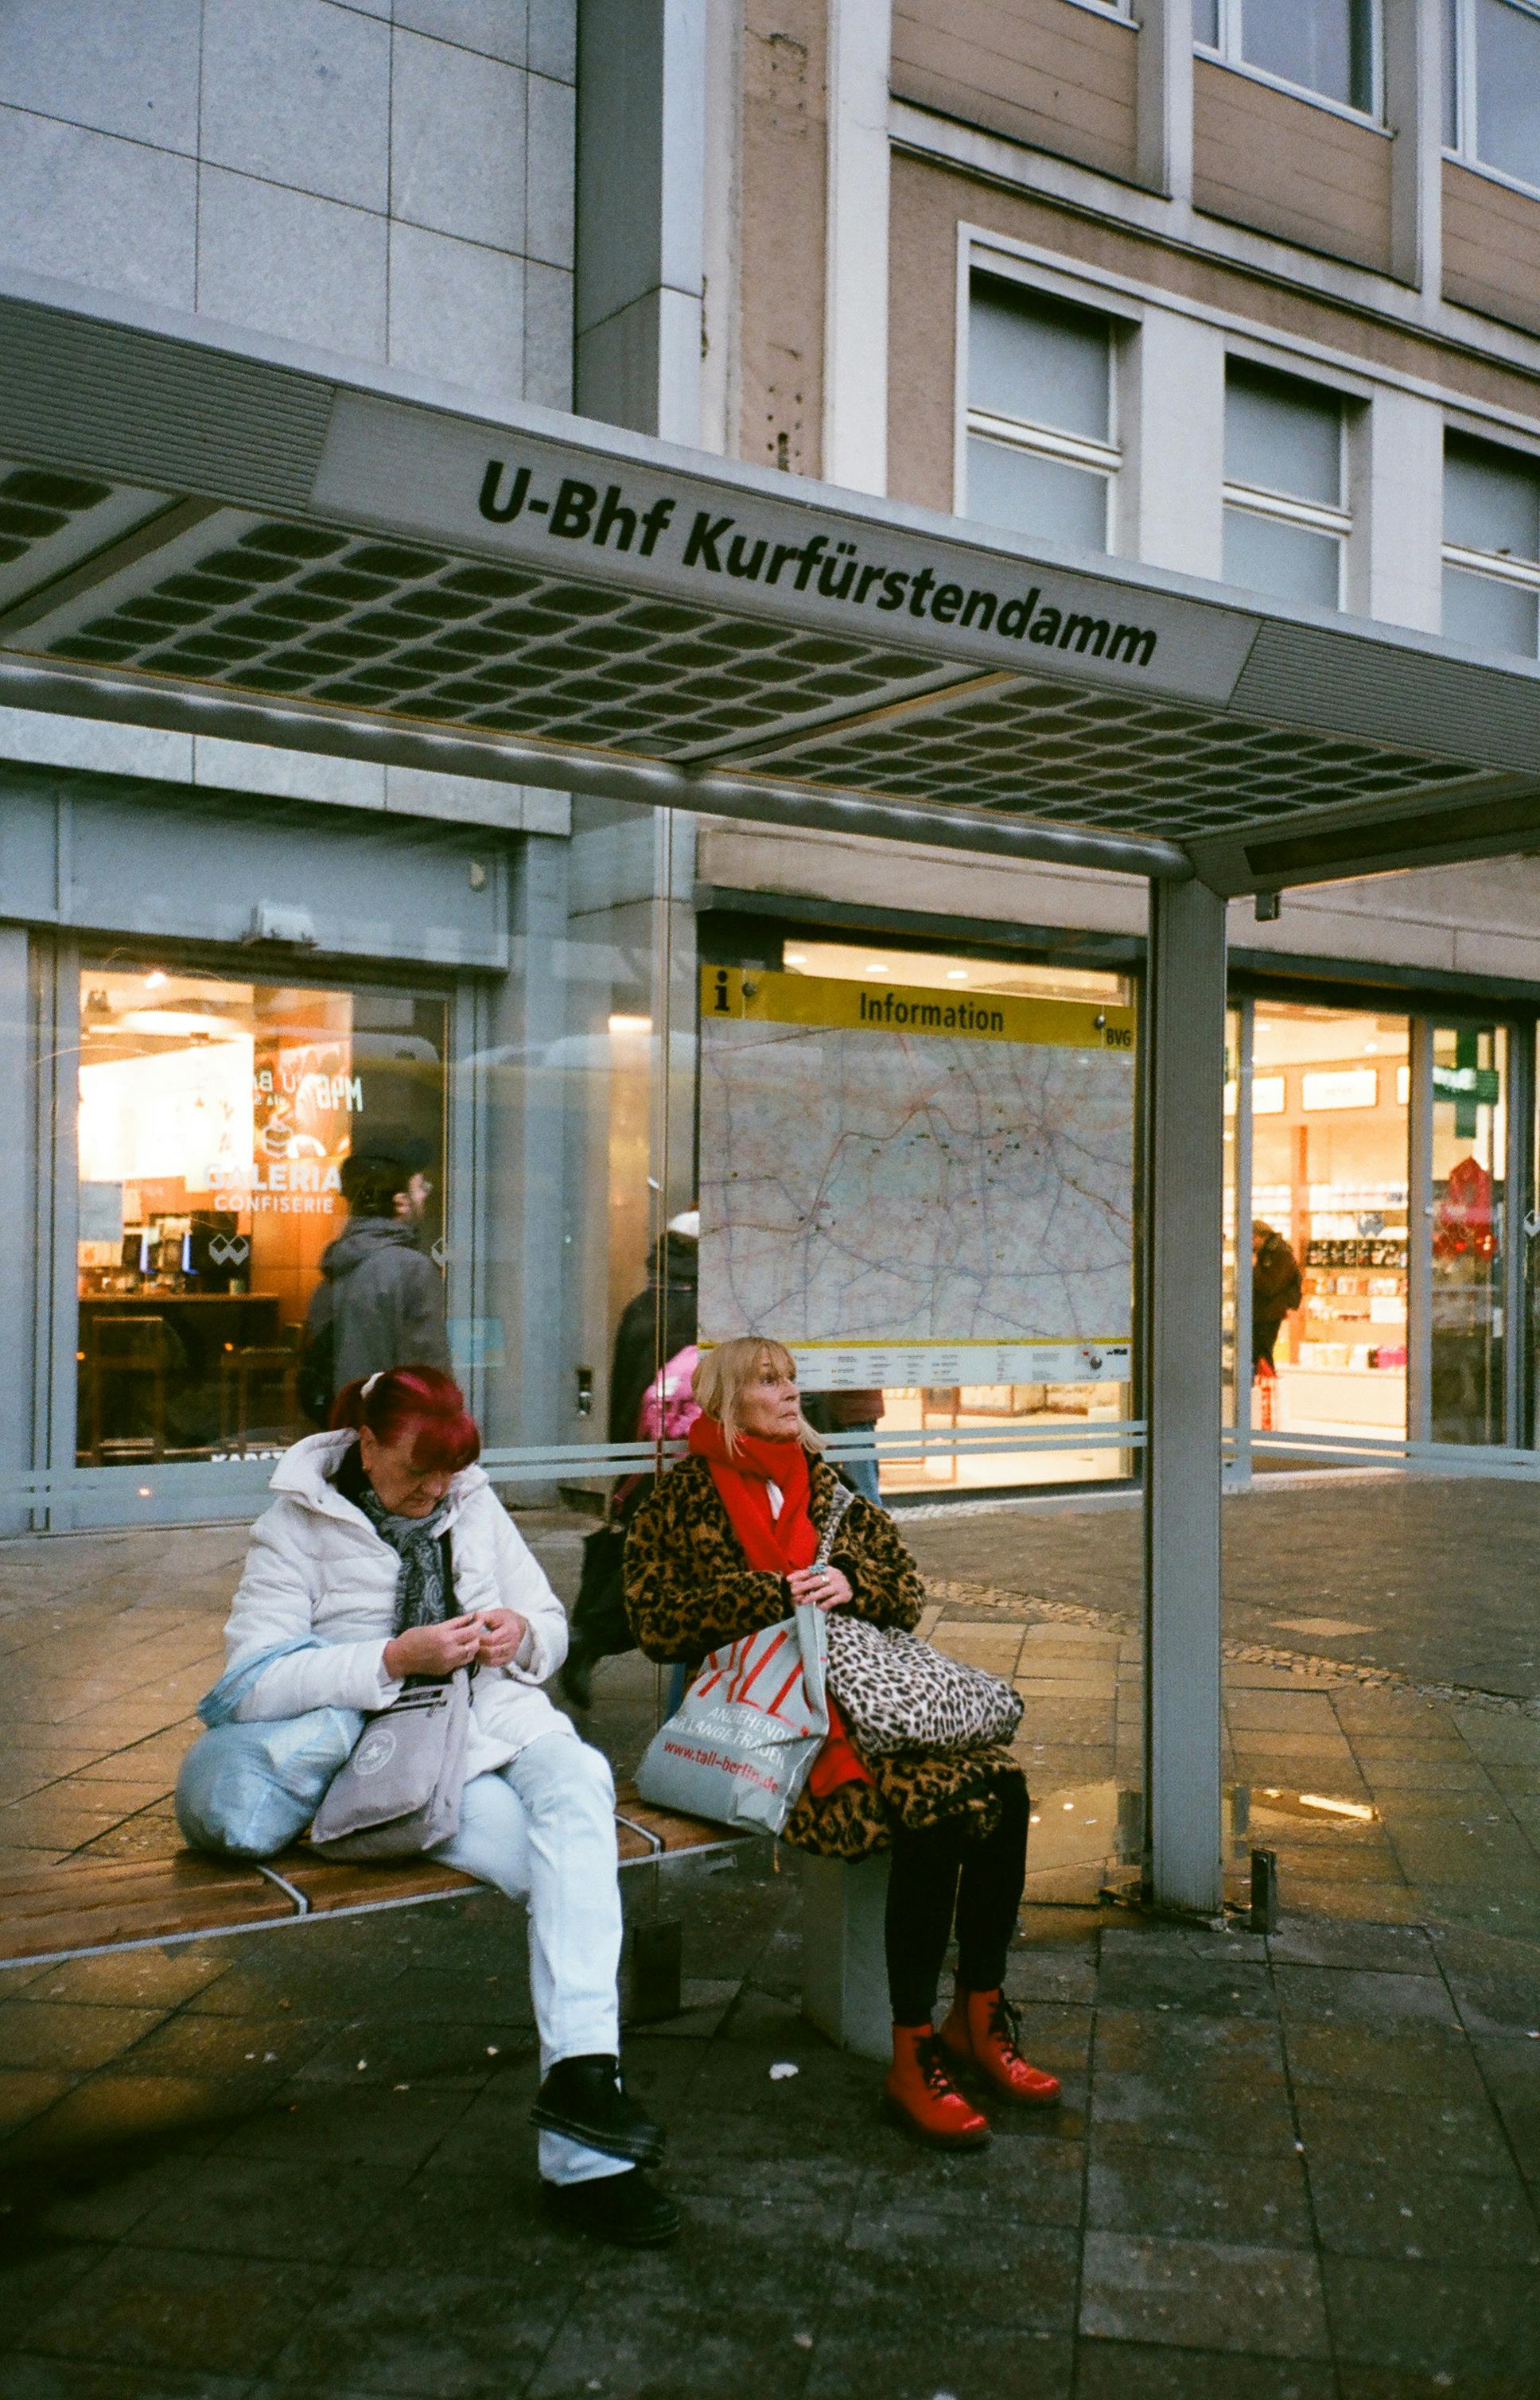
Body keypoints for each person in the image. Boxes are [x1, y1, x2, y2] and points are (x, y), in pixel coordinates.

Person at [213, 1365, 678, 2246]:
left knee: (578, 1780)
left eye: (447, 1471)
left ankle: (582, 2081)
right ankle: (588, 2158)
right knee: (566, 1874)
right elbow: (249, 1685)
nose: (434, 1489)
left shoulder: (470, 1495)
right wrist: (391, 1656)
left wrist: (522, 1632)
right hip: (402, 1754)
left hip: (499, 1716)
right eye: (416, 1469)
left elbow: (547, 1615)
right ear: (367, 1443)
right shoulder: (292, 1528)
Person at [623, 1336, 1060, 2148]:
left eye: (790, 1379)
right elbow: (655, 1622)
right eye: (766, 1380)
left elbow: (904, 1586)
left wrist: (851, 1585)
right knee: (937, 1806)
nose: (789, 1393)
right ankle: (911, 2048)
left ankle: (977, 2012)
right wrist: (770, 1593)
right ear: (724, 1400)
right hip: (772, 1734)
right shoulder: (678, 1499)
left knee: (1001, 1784)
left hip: (860, 1714)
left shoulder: (830, 1489)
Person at [561, 1212, 700, 1708]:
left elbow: (626, 1391)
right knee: (686, 1580)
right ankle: (595, 1639)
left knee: (643, 1559)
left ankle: (589, 1639)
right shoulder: (702, 1314)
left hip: (640, 1458)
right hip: (684, 1463)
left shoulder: (643, 1306)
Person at [302, 1152, 450, 1418]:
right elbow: (430, 1377)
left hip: (341, 1427)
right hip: (394, 1433)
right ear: (401, 1203)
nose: (425, 1194)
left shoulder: (338, 1263)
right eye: (420, 1187)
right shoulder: (412, 1269)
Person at [803, 1387, 887, 1507]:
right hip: (849, 1411)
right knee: (861, 1485)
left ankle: (871, 1522)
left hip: (850, 1411)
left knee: (862, 1489)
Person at [1251, 1219, 1303, 1374]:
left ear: (1262, 1237)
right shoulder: (1263, 1252)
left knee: (1263, 1355)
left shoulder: (1282, 1253)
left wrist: (1254, 1267)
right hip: (1259, 1313)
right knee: (1256, 1355)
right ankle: (1260, 1390)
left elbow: (1270, 1287)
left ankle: (1267, 1390)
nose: (1250, 1243)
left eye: (1252, 1238)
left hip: (1269, 1314)